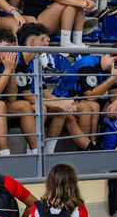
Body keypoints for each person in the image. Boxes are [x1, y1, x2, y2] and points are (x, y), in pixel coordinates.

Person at [14, 23, 95, 153]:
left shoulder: (36, 62)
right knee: (43, 108)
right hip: (17, 106)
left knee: (60, 109)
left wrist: (62, 102)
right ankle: (32, 151)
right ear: (33, 42)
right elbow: (27, 96)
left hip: (32, 104)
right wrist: (59, 103)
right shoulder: (17, 61)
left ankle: (49, 152)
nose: (48, 41)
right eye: (43, 39)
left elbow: (45, 93)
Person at [53, 50, 117, 143]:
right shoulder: (88, 64)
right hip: (66, 100)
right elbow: (90, 96)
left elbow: (115, 93)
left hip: (85, 100)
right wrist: (113, 77)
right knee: (94, 105)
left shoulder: (110, 69)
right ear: (116, 60)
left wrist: (116, 101)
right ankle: (91, 145)